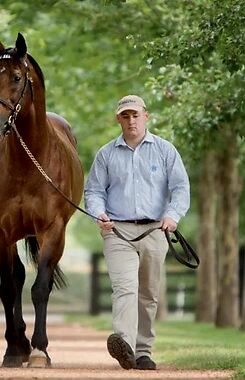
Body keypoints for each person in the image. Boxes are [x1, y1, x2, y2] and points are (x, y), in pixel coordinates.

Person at [84, 94, 190, 370]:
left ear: (146, 116)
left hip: (155, 231)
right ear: (118, 119)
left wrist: (172, 215)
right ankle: (125, 344)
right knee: (125, 288)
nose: (131, 120)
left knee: (148, 293)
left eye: (135, 115)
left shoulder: (166, 151)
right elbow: (94, 191)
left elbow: (180, 188)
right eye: (125, 115)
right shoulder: (106, 154)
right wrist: (99, 213)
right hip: (117, 232)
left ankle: (143, 351)